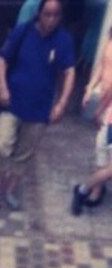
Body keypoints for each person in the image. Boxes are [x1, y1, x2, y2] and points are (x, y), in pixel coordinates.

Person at [0, 0, 75, 212]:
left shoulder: (63, 39)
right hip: (12, 102)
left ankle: (10, 191)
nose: (51, 20)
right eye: (47, 14)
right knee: (1, 146)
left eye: (56, 15)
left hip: (39, 108)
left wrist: (61, 104)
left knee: (24, 152)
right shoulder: (23, 32)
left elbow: (69, 71)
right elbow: (1, 59)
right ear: (38, 13)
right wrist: (3, 87)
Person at [71, 25, 112, 213]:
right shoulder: (109, 38)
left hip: (108, 107)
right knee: (104, 156)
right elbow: (102, 68)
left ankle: (90, 189)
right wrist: (90, 88)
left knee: (104, 155)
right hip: (107, 106)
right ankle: (87, 189)